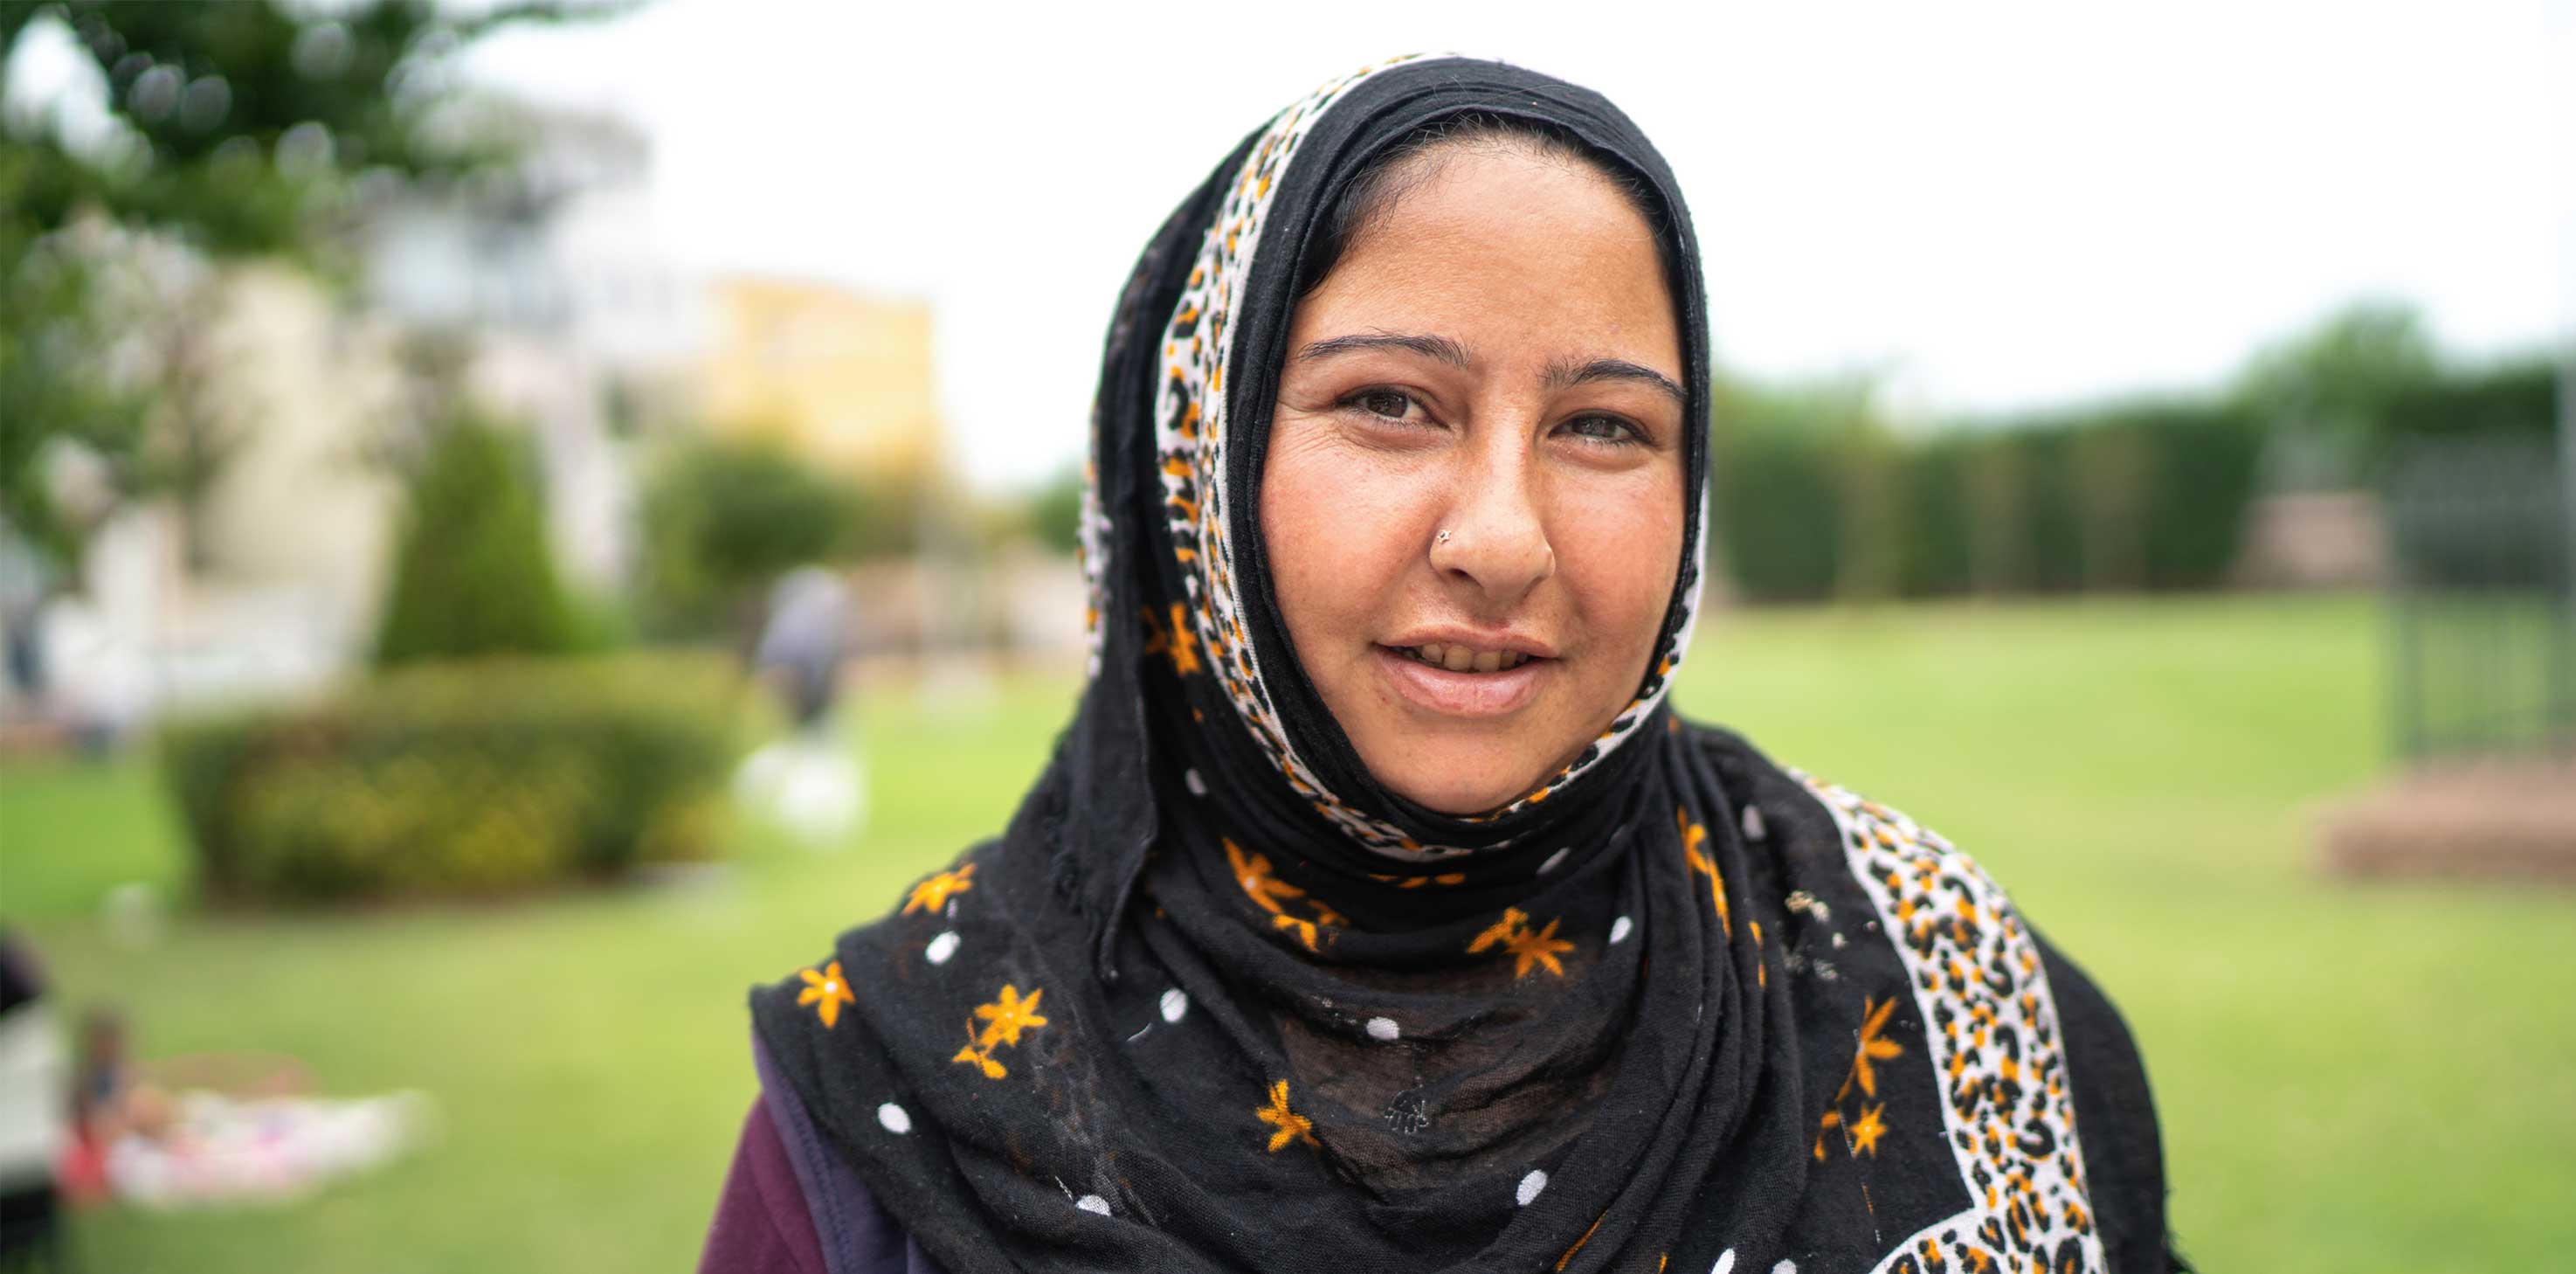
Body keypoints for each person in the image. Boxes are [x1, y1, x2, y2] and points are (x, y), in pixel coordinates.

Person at [701, 56, 2177, 1274]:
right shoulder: (895, 1107)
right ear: (1197, 473)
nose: (1501, 537)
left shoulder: (1931, 981)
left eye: (1604, 426)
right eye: (1392, 402)